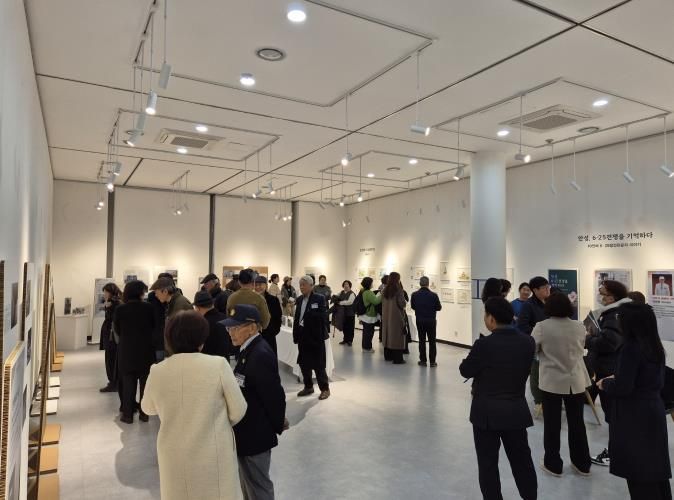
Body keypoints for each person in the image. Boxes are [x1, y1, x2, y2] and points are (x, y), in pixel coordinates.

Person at [141, 311, 247, 500]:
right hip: (213, 452)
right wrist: (219, 423)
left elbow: (147, 408)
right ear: (202, 339)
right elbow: (238, 409)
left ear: (169, 338)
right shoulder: (218, 365)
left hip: (173, 452)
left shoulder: (157, 371)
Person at [459, 297, 537, 500]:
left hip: (486, 414)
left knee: (488, 464)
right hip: (516, 411)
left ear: (491, 319)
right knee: (522, 462)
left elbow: (465, 370)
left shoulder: (484, 344)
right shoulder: (528, 342)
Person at [597, 303, 672, 499]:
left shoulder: (630, 348)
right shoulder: (654, 345)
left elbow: (624, 387)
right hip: (653, 410)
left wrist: (606, 383)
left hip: (634, 414)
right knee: (654, 470)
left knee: (638, 471)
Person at [224, 304, 288, 500]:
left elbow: (274, 396)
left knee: (258, 487)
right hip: (247, 432)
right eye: (229, 328)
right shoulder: (247, 349)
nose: (230, 332)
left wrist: (277, 424)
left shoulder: (260, 354)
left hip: (256, 435)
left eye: (235, 327)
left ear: (252, 328)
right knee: (249, 484)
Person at [532, 293, 592, 478]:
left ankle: (553, 464)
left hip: (552, 382)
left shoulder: (542, 327)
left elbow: (532, 349)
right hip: (576, 381)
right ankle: (582, 464)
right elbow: (581, 347)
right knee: (577, 423)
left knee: (552, 424)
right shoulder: (579, 326)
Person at [586, 280, 631, 467]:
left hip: (609, 371)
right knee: (615, 416)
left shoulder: (613, 315)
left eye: (603, 293)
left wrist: (588, 339)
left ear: (612, 297)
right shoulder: (617, 313)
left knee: (614, 416)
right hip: (609, 369)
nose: (600, 296)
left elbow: (609, 343)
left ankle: (616, 454)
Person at [113, 280, 156, 424]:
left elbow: (117, 329)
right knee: (145, 384)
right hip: (146, 351)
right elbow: (154, 327)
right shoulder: (149, 308)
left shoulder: (120, 309)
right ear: (140, 292)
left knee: (128, 384)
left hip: (127, 350)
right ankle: (144, 414)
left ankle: (128, 415)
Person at [293, 275, 330, 400]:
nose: (301, 287)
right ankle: (308, 387)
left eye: (304, 285)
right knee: (304, 364)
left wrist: (308, 315)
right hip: (302, 337)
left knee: (319, 365)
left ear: (311, 286)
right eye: (300, 285)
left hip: (315, 337)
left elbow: (323, 316)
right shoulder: (299, 299)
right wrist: (295, 335)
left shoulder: (319, 298)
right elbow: (297, 318)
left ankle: (325, 389)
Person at [517, 276, 551, 413]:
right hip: (535, 346)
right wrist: (540, 333)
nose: (548, 289)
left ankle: (548, 398)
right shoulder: (528, 305)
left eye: (548, 287)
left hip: (550, 345)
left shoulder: (549, 302)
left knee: (547, 373)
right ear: (535, 290)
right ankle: (539, 401)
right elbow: (522, 326)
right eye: (544, 288)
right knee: (536, 374)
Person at [411, 276, 442, 367]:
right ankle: (432, 362)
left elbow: (413, 306)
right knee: (432, 341)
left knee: (422, 341)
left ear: (420, 284)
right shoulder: (434, 295)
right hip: (431, 321)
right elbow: (439, 307)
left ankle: (423, 361)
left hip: (420, 320)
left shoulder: (414, 295)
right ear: (428, 284)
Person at [193, 290, 231, 359]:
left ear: (198, 308)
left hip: (208, 362)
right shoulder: (225, 318)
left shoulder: (201, 324)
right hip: (224, 361)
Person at [99, 282, 122, 393]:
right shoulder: (114, 303)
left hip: (112, 337)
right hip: (110, 336)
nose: (104, 294)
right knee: (110, 359)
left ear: (111, 292)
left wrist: (109, 307)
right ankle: (113, 382)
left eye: (106, 292)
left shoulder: (115, 303)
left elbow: (114, 319)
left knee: (111, 359)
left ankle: (114, 383)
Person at [381, 272, 407, 364]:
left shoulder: (384, 290)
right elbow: (402, 304)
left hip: (386, 317)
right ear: (397, 279)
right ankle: (398, 359)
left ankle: (388, 356)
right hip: (396, 317)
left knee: (387, 335)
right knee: (397, 337)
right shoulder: (398, 291)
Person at [254, 275, 283, 355]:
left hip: (269, 335)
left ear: (266, 285)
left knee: (269, 357)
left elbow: (278, 317)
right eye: (256, 285)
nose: (258, 287)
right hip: (254, 335)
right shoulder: (251, 300)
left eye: (260, 285)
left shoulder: (273, 300)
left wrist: (273, 332)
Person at [358, 277, 381, 353]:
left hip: (365, 315)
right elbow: (376, 301)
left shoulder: (363, 291)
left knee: (366, 332)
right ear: (369, 284)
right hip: (369, 315)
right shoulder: (368, 292)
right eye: (372, 282)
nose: (372, 284)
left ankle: (365, 347)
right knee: (369, 333)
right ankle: (367, 348)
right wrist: (382, 294)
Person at [337, 280, 356, 346]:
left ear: (350, 285)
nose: (346, 285)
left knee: (350, 327)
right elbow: (336, 297)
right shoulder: (341, 292)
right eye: (345, 284)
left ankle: (350, 341)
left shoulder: (352, 293)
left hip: (350, 313)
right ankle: (345, 340)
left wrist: (340, 302)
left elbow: (349, 302)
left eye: (347, 284)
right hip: (343, 313)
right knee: (344, 327)